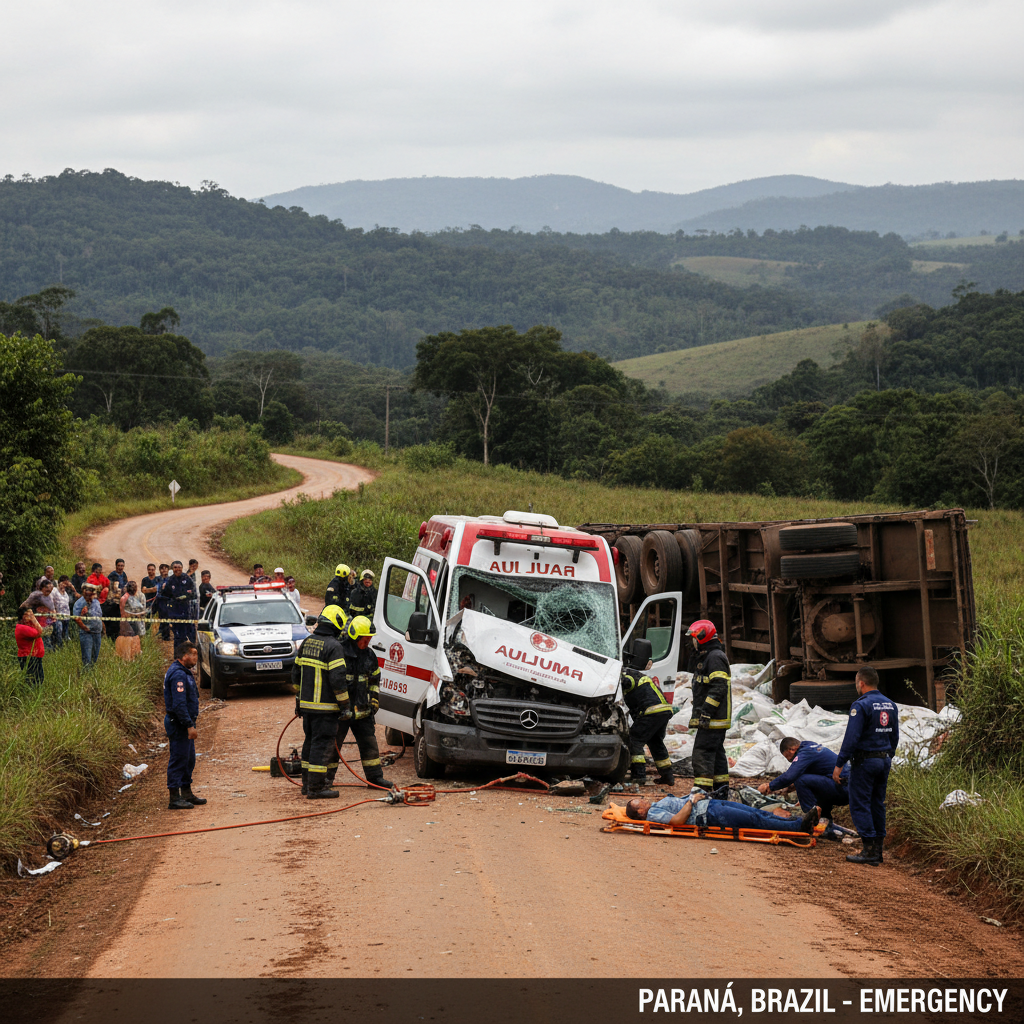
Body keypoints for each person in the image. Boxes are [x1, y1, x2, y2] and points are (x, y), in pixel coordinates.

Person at [833, 666, 899, 866]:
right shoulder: (890, 704)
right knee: (877, 803)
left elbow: (851, 738)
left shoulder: (860, 706)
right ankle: (877, 850)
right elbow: (894, 736)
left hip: (864, 762)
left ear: (861, 683)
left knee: (860, 803)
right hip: (883, 760)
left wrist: (839, 764)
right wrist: (888, 756)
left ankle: (868, 849)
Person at [294, 605, 351, 799]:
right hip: (326, 709)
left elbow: (296, 675)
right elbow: (338, 680)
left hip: (307, 708)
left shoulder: (307, 642)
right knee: (321, 746)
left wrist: (299, 700)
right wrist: (345, 706)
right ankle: (316, 788)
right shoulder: (334, 647)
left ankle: (306, 785)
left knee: (309, 743)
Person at [337, 616, 393, 790]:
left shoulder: (370, 655)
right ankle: (325, 780)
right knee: (333, 746)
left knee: (370, 746)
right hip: (342, 711)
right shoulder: (340, 652)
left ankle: (375, 779)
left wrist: (374, 700)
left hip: (363, 711)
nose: (367, 641)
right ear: (354, 636)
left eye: (369, 638)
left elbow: (374, 680)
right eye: (364, 638)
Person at [759, 737, 850, 837]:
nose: (790, 760)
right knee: (806, 783)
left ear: (791, 750)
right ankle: (826, 826)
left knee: (801, 780)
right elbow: (813, 780)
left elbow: (791, 776)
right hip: (846, 787)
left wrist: (770, 786)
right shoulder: (811, 747)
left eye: (788, 757)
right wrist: (800, 794)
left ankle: (812, 820)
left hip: (843, 788)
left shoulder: (805, 752)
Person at [625, 790, 820, 834]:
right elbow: (676, 821)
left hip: (712, 805)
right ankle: (798, 827)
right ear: (640, 813)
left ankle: (798, 821)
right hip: (710, 815)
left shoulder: (656, 805)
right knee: (753, 819)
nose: (643, 800)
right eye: (639, 802)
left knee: (758, 813)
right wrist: (692, 801)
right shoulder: (652, 815)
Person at [686, 619, 732, 800]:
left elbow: (718, 687)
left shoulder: (714, 657)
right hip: (714, 719)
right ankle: (721, 793)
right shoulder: (709, 656)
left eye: (694, 638)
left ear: (702, 637)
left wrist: (705, 712)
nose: (693, 642)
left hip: (713, 719)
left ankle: (701, 794)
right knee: (717, 754)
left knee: (702, 753)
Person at [621, 638, 675, 786]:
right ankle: (668, 776)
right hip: (663, 710)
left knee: (634, 740)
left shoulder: (625, 675)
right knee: (655, 742)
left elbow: (623, 685)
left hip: (652, 711)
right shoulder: (636, 674)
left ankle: (639, 776)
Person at [163, 641, 207, 810]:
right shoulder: (178, 675)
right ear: (184, 656)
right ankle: (174, 797)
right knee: (178, 758)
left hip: (184, 722)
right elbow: (179, 705)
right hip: (179, 723)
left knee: (189, 759)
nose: (196, 657)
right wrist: (189, 725)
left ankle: (186, 792)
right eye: (193, 654)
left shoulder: (184, 671)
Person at [163, 560, 197, 644]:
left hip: (187, 612)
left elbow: (194, 594)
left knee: (191, 634)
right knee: (178, 637)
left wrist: (186, 596)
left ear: (182, 568)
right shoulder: (170, 580)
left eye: (179, 567)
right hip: (175, 612)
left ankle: (193, 651)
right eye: (175, 567)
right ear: (172, 569)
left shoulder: (187, 579)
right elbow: (165, 595)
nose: (177, 569)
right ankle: (177, 655)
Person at [73, 584, 103, 669]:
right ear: (85, 592)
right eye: (91, 592)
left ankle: (92, 674)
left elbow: (100, 616)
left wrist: (103, 628)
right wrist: (84, 627)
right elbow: (76, 618)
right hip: (87, 634)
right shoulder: (79, 603)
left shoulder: (96, 601)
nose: (92, 594)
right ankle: (86, 675)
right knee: (87, 657)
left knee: (95, 655)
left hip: (97, 632)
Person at [22, 580, 56, 652]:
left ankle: (47, 651)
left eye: (51, 588)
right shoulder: (35, 595)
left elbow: (52, 610)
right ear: (42, 588)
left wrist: (52, 614)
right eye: (47, 588)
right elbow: (26, 605)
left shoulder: (49, 597)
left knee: (46, 637)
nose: (49, 590)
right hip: (34, 620)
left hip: (45, 621)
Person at [15, 605, 45, 686]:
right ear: (23, 617)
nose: (31, 617)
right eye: (29, 615)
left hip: (34, 656)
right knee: (34, 681)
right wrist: (34, 619)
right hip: (29, 657)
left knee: (39, 679)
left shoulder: (28, 625)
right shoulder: (22, 628)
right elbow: (40, 631)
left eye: (32, 614)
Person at [117, 582, 146, 659]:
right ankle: (129, 657)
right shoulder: (125, 598)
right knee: (129, 640)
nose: (133, 589)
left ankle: (137, 654)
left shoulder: (140, 596)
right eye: (131, 587)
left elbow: (143, 609)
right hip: (127, 622)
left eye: (134, 587)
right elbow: (124, 612)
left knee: (137, 639)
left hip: (137, 621)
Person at [52, 576, 72, 648]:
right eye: (62, 583)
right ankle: (59, 646)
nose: (63, 585)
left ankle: (65, 647)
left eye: (65, 584)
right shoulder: (55, 591)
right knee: (59, 631)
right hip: (58, 616)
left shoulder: (66, 594)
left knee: (65, 633)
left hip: (66, 616)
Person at [155, 563, 172, 640]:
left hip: (168, 600)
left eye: (166, 568)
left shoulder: (171, 579)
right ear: (160, 570)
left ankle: (166, 635)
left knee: (167, 617)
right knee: (162, 616)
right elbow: (156, 588)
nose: (164, 570)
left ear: (168, 570)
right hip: (160, 600)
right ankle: (162, 632)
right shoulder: (157, 579)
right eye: (162, 568)